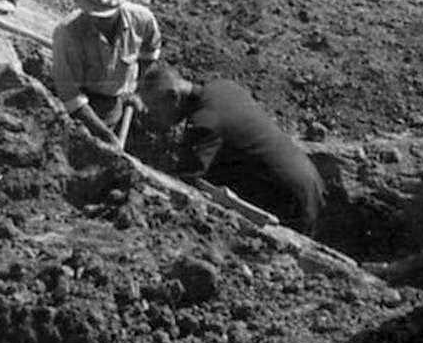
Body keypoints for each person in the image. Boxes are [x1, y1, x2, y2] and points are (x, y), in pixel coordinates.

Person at [138, 64, 325, 236]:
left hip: (290, 197)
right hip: (308, 179)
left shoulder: (206, 122)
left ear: (173, 96)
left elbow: (184, 183)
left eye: (155, 108)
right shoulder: (223, 87)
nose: (154, 117)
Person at [51, 0, 160, 148]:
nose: (95, 21)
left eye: (104, 17)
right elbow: (71, 96)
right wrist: (106, 136)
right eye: (90, 14)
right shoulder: (68, 33)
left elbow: (150, 53)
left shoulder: (142, 19)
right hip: (83, 105)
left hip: (116, 99)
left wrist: (139, 91)